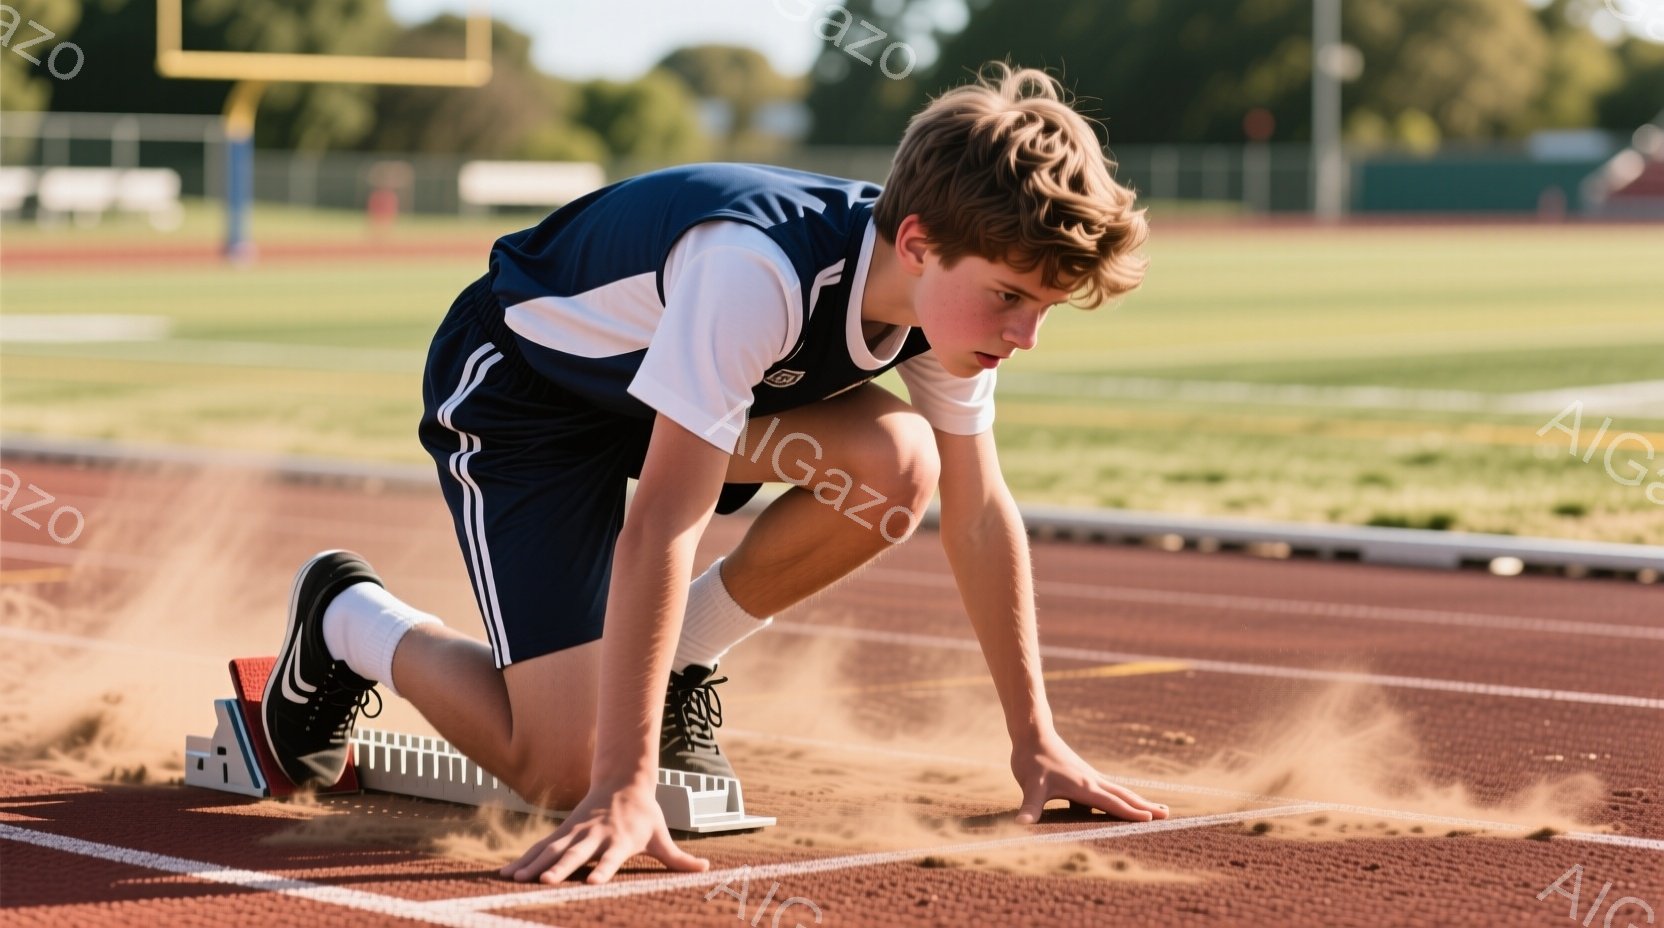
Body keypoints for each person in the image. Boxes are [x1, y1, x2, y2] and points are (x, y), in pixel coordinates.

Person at [260, 61, 1167, 887]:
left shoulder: (941, 307)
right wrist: (623, 784)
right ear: (921, 242)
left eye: (1045, 307)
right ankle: (345, 616)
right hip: (528, 398)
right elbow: (662, 522)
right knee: (558, 771)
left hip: (662, 399)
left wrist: (1037, 740)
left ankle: (678, 664)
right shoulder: (755, 272)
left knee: (900, 466)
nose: (1024, 335)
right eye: (1011, 297)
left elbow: (977, 514)